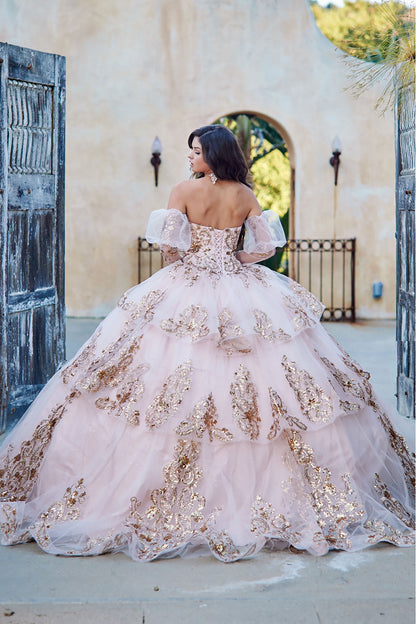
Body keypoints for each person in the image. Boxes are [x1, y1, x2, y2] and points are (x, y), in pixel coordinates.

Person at [0, 125, 414, 562]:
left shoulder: (183, 189)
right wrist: (234, 259)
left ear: (213, 155)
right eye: (189, 152)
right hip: (243, 287)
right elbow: (266, 246)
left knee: (153, 376)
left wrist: (192, 260)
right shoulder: (245, 195)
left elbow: (169, 248)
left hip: (188, 284)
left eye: (196, 151)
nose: (190, 158)